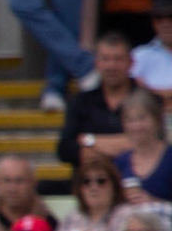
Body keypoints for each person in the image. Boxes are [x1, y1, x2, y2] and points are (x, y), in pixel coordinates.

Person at [57, 33, 137, 167]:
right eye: (105, 59)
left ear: (131, 62)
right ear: (96, 63)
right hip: (91, 182)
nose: (111, 66)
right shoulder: (80, 101)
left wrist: (90, 141)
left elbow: (154, 144)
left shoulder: (149, 100)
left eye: (118, 59)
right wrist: (124, 144)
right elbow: (64, 150)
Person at [115, 90, 172, 204]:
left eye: (142, 118)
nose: (136, 126)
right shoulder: (120, 162)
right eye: (130, 120)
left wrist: (153, 202)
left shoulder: (169, 157)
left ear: (156, 120)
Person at [129, 0, 172, 102]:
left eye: (171, 16)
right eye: (159, 18)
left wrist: (151, 92)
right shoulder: (139, 55)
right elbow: (127, 88)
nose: (165, 23)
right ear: (153, 22)